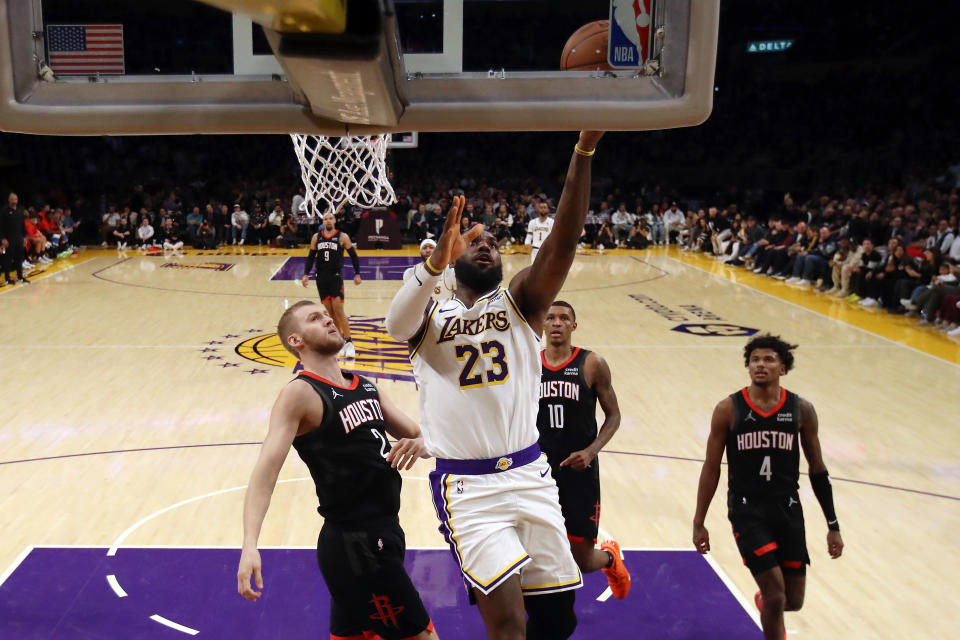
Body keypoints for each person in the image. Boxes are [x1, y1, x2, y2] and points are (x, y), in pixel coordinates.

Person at [385, 132, 625, 640]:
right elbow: (393, 322)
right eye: (475, 241)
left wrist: (583, 150)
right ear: (452, 258)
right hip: (469, 489)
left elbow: (563, 239)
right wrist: (433, 265)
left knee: (559, 621)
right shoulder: (430, 309)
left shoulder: (521, 303)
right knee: (508, 625)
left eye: (493, 241)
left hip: (530, 475)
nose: (487, 243)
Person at [237, 301, 439, 640]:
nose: (328, 319)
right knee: (422, 635)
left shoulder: (365, 385)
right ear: (296, 341)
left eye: (327, 315)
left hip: (387, 531)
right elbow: (265, 472)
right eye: (315, 318)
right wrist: (249, 543)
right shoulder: (299, 393)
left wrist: (423, 443)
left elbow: (422, 437)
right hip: (354, 543)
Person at [692, 335, 844, 640]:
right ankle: (769, 607)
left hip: (787, 508)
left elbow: (818, 468)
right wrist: (699, 522)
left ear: (783, 368)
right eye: (755, 360)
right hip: (747, 509)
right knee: (776, 594)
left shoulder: (801, 409)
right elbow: (711, 467)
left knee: (793, 600)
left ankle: (765, 604)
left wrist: (833, 525)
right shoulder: (728, 408)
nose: (760, 365)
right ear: (748, 366)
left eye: (769, 360)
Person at [536, 301, 628, 597]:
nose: (557, 323)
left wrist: (591, 451)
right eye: (551, 318)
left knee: (583, 560)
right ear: (543, 325)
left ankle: (611, 559)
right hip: (538, 472)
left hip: (580, 473)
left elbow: (613, 416)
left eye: (564, 318)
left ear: (574, 326)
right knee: (534, 552)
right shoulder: (530, 365)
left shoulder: (591, 364)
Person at [301, 211, 363, 359]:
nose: (328, 221)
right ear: (323, 222)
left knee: (339, 310)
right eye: (325, 219)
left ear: (335, 220)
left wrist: (357, 273)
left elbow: (354, 256)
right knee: (331, 313)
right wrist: (305, 274)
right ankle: (339, 342)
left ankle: (349, 342)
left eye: (330, 218)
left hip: (335, 277)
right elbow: (311, 257)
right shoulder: (317, 237)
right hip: (321, 277)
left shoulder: (342, 237)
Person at [1, 192, 29, 285]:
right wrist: (2, 238)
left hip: (19, 238)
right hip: (8, 239)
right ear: (9, 200)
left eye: (16, 199)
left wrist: (24, 237)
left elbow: (22, 225)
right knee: (7, 259)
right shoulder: (4, 211)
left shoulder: (20, 211)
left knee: (19, 258)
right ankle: (7, 278)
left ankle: (20, 277)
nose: (14, 201)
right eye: (12, 199)